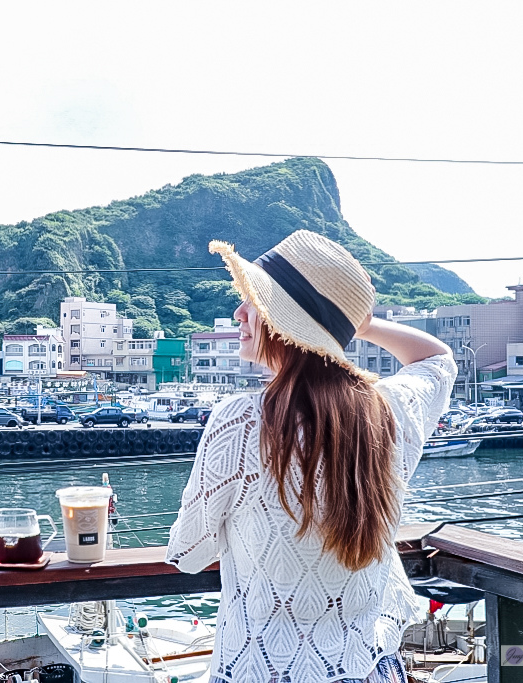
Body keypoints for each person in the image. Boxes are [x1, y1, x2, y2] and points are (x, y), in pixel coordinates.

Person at [166, 231, 456, 683]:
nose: (238, 313)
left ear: (286, 324)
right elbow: (438, 360)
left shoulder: (240, 421)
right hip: (368, 668)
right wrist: (357, 326)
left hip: (259, 670)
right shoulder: (389, 412)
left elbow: (188, 550)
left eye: (254, 302)